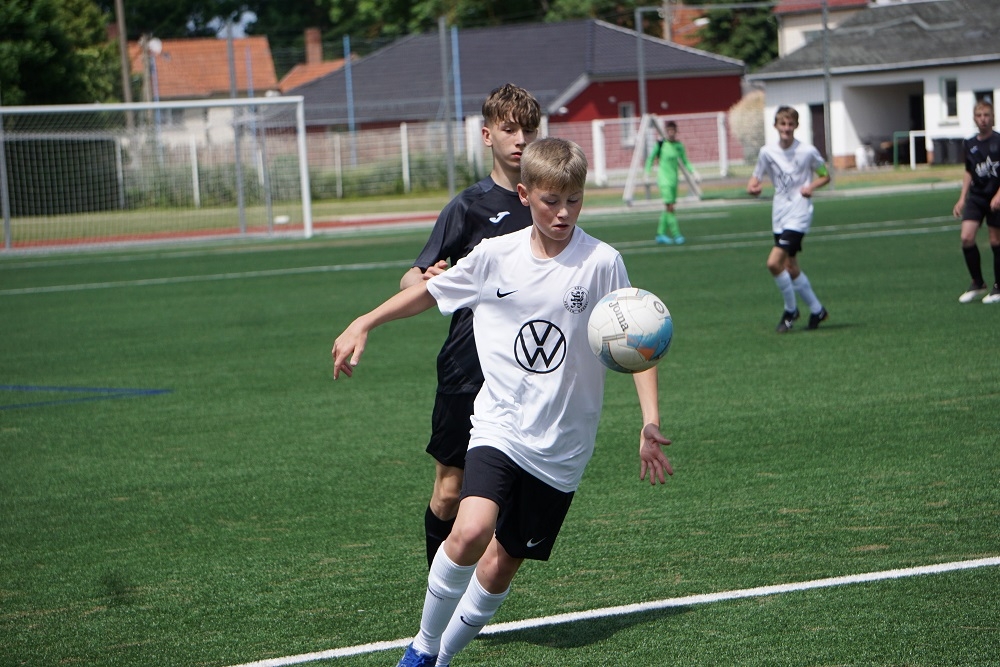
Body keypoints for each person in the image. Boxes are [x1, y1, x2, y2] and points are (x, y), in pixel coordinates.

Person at [332, 138, 673, 667]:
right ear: (524, 195)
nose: (563, 213)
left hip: (563, 445)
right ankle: (421, 649)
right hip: (500, 424)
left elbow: (640, 345)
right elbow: (428, 292)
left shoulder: (603, 262)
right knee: (470, 529)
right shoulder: (495, 256)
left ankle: (442, 658)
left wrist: (649, 422)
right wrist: (365, 321)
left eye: (575, 201)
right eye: (551, 201)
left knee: (499, 567)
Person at [399, 84, 541, 568]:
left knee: (511, 493)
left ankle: (479, 592)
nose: (520, 139)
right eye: (509, 129)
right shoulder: (468, 207)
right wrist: (426, 277)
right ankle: (437, 592)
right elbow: (412, 278)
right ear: (487, 135)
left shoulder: (549, 204)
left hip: (528, 369)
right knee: (450, 490)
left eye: (529, 130)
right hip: (468, 368)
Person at [747, 106, 831, 333]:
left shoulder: (807, 151)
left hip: (799, 214)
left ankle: (790, 310)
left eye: (790, 124)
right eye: (782, 124)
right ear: (775, 126)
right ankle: (817, 310)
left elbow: (825, 175)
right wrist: (753, 188)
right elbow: (754, 179)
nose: (786, 128)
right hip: (779, 214)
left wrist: (811, 186)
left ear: (796, 126)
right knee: (790, 267)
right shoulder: (767, 152)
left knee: (773, 263)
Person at [952, 100, 1000, 304]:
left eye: (987, 115)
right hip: (977, 197)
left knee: (996, 241)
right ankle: (978, 282)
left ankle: (998, 287)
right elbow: (969, 171)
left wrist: (999, 194)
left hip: (996, 197)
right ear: (974, 118)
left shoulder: (999, 141)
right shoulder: (969, 143)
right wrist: (962, 198)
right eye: (979, 116)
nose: (983, 119)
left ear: (993, 117)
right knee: (966, 237)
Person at [645, 120, 698, 245]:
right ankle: (676, 234)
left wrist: (694, 172)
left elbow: (685, 161)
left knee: (669, 207)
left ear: (676, 131)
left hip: (674, 180)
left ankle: (660, 234)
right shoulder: (661, 145)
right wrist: (647, 173)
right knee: (670, 207)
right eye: (668, 131)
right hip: (664, 180)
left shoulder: (679, 146)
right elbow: (651, 159)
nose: (670, 133)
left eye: (672, 131)